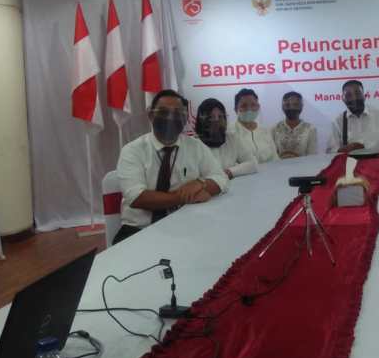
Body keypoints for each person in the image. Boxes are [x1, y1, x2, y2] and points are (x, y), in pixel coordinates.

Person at [114, 89, 228, 244]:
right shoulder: (132, 150)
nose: (170, 118)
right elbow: (137, 197)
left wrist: (200, 183)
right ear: (150, 115)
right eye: (163, 112)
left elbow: (221, 178)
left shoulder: (195, 146)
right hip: (139, 229)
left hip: (187, 225)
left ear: (185, 118)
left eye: (178, 113)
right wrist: (185, 197)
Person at [326, 80, 379, 153]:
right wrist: (346, 149)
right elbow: (332, 150)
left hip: (376, 158)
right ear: (343, 99)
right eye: (348, 95)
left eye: (358, 94)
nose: (354, 98)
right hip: (349, 159)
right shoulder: (338, 122)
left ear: (364, 96)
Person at [195, 98, 257, 178]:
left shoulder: (232, 138)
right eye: (211, 117)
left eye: (220, 116)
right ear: (201, 120)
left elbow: (253, 163)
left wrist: (230, 172)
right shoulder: (194, 144)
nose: (216, 121)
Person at [231, 88, 278, 163]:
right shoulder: (230, 132)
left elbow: (275, 157)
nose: (249, 109)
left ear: (258, 107)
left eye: (253, 105)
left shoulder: (265, 130)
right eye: (244, 106)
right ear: (236, 109)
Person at [272, 91, 318, 158]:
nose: (291, 108)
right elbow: (272, 156)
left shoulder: (310, 129)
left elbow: (312, 156)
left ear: (301, 106)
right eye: (287, 105)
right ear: (282, 107)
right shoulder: (275, 129)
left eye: (296, 104)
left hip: (304, 165)